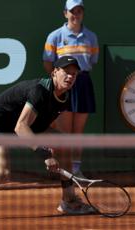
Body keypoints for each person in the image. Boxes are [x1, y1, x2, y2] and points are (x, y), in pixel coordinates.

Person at [0, 56, 95, 219]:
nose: (70, 77)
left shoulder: (64, 99)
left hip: (24, 125)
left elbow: (45, 126)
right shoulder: (39, 91)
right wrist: (45, 154)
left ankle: (68, 201)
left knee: (64, 144)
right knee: (2, 173)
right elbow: (21, 127)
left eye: (74, 74)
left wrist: (56, 148)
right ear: (54, 72)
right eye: (66, 72)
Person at [43, 0, 99, 176]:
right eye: (72, 11)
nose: (76, 15)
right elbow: (47, 62)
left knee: (78, 132)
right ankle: (59, 169)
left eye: (79, 11)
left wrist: (76, 76)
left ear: (83, 13)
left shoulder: (91, 37)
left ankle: (75, 169)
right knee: (63, 132)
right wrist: (59, 80)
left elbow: (92, 62)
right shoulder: (55, 36)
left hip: (82, 84)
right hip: (62, 85)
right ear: (65, 13)